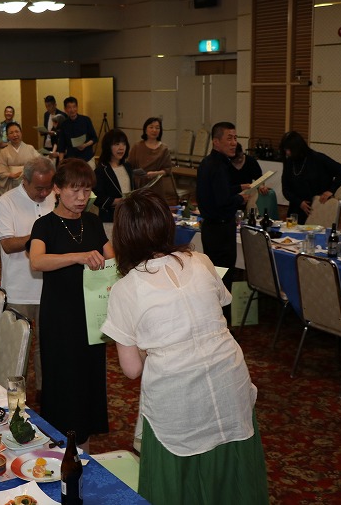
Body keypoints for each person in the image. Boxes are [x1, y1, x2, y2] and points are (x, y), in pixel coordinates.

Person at [101, 189, 268, 504]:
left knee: (180, 485)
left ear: (123, 237)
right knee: (231, 478)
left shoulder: (125, 289)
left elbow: (132, 369)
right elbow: (212, 314)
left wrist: (149, 344)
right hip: (229, 378)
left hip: (177, 397)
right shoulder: (200, 261)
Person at [29, 159, 113, 450]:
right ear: (57, 189)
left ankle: (84, 443)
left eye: (86, 191)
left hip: (91, 313)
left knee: (89, 378)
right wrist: (78, 257)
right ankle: (59, 444)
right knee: (63, 379)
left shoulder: (92, 222)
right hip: (60, 316)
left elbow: (112, 259)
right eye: (74, 190)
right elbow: (37, 261)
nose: (81, 198)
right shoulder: (45, 225)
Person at [0, 157, 56, 395]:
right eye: (39, 188)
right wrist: (41, 235)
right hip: (18, 288)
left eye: (48, 187)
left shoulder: (53, 198)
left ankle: (44, 392)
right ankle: (14, 396)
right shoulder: (6, 202)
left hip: (49, 284)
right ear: (25, 181)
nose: (44, 193)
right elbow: (8, 245)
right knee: (17, 347)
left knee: (46, 346)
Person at [196, 122, 250, 322]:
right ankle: (222, 324)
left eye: (235, 138)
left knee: (216, 276)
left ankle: (216, 320)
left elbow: (219, 191)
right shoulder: (218, 166)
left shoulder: (209, 162)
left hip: (211, 228)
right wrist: (240, 198)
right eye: (229, 138)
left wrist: (238, 187)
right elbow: (222, 200)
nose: (234, 142)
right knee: (223, 279)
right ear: (216, 141)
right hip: (220, 229)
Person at [280, 131, 341, 224]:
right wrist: (300, 203)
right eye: (285, 150)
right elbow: (285, 189)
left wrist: (331, 190)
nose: (287, 153)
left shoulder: (317, 158)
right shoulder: (289, 162)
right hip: (295, 211)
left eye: (289, 149)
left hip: (318, 209)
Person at [127, 117, 177, 206]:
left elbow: (168, 170)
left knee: (155, 209)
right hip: (139, 185)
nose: (154, 130)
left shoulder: (164, 148)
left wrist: (155, 173)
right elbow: (129, 166)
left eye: (157, 128)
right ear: (145, 129)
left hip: (156, 185)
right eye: (151, 127)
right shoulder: (137, 146)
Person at [94, 128, 134, 238]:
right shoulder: (101, 170)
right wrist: (119, 201)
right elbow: (97, 198)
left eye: (124, 144)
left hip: (128, 218)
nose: (121, 148)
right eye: (117, 144)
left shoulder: (128, 166)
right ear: (108, 146)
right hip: (110, 220)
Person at [0, 122, 40, 192]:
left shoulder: (30, 148)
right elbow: (1, 170)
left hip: (28, 182)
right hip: (11, 183)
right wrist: (11, 175)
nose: (15, 135)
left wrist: (27, 173)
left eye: (17, 131)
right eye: (11, 133)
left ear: (21, 133)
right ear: (7, 136)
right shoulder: (3, 152)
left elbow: (39, 163)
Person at [56, 96, 98, 165]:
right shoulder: (64, 124)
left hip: (87, 158)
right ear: (65, 109)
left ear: (77, 107)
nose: (72, 110)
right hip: (72, 160)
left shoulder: (86, 120)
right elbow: (61, 145)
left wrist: (85, 145)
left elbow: (94, 138)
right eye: (69, 107)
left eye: (74, 107)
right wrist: (60, 162)